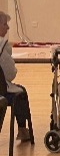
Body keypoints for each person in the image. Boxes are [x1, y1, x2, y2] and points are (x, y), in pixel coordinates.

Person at [0, 11, 33, 143]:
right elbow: (11, 74)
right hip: (1, 91)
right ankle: (23, 130)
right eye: (4, 24)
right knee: (21, 91)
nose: (7, 27)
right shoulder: (2, 46)